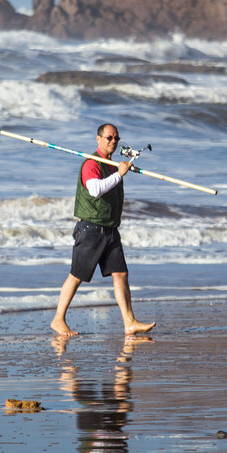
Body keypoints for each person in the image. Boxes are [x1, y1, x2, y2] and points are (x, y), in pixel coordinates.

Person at [51, 123, 156, 337]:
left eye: (116, 138)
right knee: (77, 275)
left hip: (109, 229)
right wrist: (119, 174)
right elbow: (95, 189)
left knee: (121, 274)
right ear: (98, 139)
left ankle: (130, 322)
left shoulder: (112, 164)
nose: (113, 141)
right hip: (90, 228)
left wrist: (119, 171)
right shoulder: (92, 163)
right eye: (109, 137)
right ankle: (58, 319)